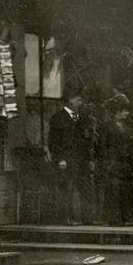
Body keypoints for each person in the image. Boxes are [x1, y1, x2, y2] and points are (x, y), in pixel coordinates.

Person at [47, 90, 94, 225]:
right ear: (70, 99)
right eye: (78, 100)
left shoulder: (82, 118)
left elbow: (87, 141)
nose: (81, 103)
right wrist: (60, 158)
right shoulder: (58, 118)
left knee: (86, 188)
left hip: (82, 159)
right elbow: (54, 142)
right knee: (67, 189)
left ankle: (87, 219)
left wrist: (90, 159)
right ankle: (66, 218)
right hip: (67, 160)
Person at [98, 95, 133, 226]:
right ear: (116, 111)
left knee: (126, 190)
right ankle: (114, 219)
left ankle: (127, 218)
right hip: (112, 163)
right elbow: (101, 146)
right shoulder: (106, 127)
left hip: (125, 163)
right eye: (124, 111)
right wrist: (107, 162)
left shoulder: (128, 128)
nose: (127, 113)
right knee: (114, 190)